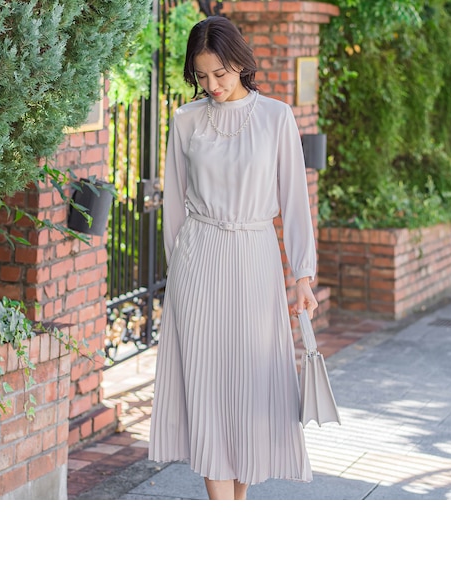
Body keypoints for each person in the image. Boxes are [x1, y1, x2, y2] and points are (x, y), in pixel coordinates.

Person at [148, 15, 318, 500]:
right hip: (199, 260)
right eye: (201, 76)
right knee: (208, 388)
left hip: (255, 258)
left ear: (240, 63)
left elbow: (295, 201)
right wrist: (178, 273)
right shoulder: (186, 120)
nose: (212, 85)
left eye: (219, 73)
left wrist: (303, 275)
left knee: (249, 390)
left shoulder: (276, 117)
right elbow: (175, 205)